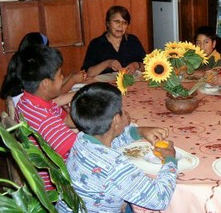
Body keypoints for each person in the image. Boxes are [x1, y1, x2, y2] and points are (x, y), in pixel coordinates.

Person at [56, 82, 177, 212]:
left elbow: (111, 139)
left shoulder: (81, 139)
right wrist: (170, 159)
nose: (125, 113)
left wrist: (139, 131)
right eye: (122, 111)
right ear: (116, 120)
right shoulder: (115, 167)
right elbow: (160, 200)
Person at [15, 45, 77, 190]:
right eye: (60, 75)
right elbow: (82, 151)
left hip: (43, 173)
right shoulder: (45, 119)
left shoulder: (27, 101)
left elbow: (64, 120)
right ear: (46, 84)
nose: (63, 77)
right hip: (57, 184)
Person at [0, 32, 87, 106]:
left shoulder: (21, 60)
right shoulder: (31, 68)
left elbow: (49, 87)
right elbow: (53, 97)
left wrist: (71, 76)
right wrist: (73, 81)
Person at [81, 6, 146, 77]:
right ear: (108, 23)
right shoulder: (96, 44)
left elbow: (147, 66)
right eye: (117, 22)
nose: (120, 26)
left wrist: (136, 65)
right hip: (104, 86)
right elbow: (87, 73)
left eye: (124, 23)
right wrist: (107, 63)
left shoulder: (133, 40)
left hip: (131, 84)